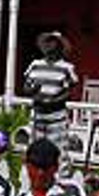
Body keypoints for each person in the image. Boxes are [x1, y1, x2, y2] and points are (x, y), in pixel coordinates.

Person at [23, 31, 78, 159]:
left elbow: (70, 91)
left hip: (57, 115)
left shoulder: (67, 67)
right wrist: (32, 91)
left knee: (58, 150)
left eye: (52, 42)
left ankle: (60, 177)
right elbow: (26, 87)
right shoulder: (35, 65)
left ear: (59, 46)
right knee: (35, 149)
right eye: (46, 42)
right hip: (37, 113)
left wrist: (53, 100)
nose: (49, 45)